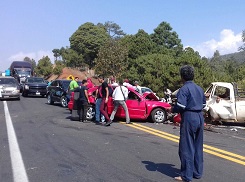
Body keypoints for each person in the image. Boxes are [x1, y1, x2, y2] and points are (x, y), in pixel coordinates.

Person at [172, 65, 206, 182]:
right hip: (199, 116)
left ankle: (186, 175)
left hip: (189, 117)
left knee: (186, 146)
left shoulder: (184, 89)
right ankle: (197, 172)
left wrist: (171, 109)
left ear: (182, 77)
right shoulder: (199, 89)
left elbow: (181, 106)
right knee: (197, 145)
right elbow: (204, 105)